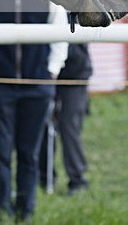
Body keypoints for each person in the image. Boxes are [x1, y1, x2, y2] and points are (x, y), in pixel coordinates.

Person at [0, 0, 68, 222]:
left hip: (37, 85)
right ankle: (1, 208)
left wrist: (51, 70)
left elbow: (60, 32)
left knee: (29, 152)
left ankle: (26, 209)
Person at [38, 43, 92, 195]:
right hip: (44, 72)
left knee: (70, 129)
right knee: (42, 127)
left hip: (75, 74)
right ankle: (44, 177)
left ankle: (77, 180)